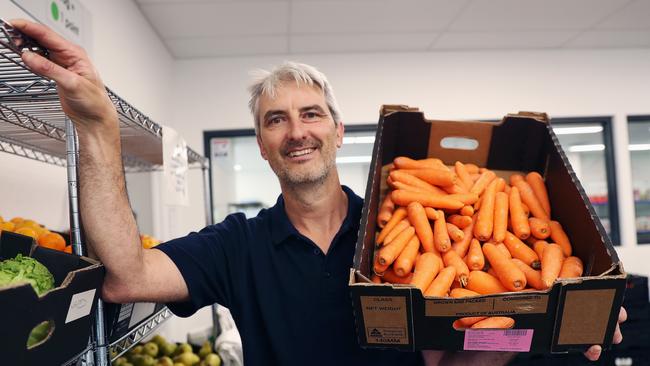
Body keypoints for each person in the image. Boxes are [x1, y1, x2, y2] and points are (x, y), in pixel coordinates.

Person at [10, 19, 625, 366]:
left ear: (338, 131)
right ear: (259, 142)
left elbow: (450, 363)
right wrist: (95, 124)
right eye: (276, 119)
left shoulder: (393, 237)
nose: (296, 131)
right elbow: (123, 275)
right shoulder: (239, 245)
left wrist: (541, 324)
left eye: (310, 115)